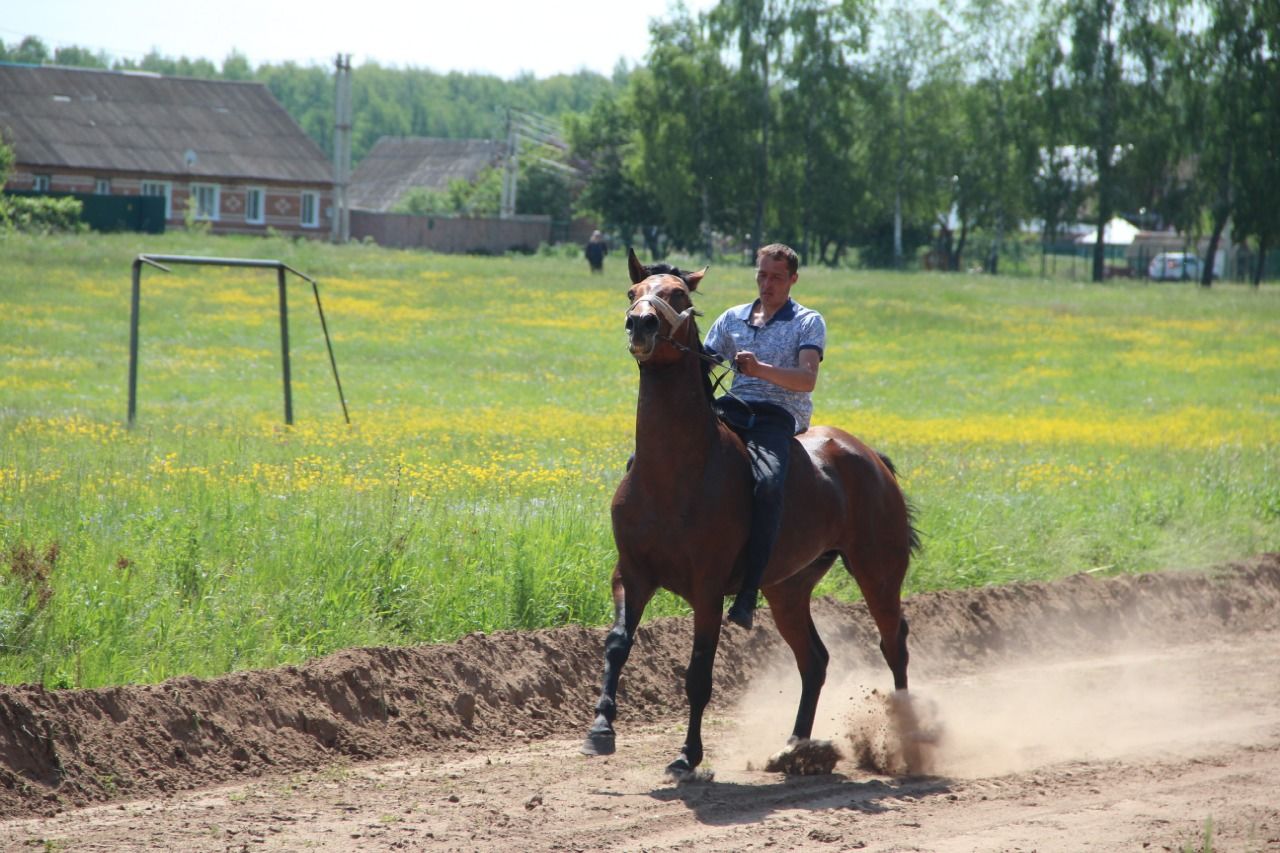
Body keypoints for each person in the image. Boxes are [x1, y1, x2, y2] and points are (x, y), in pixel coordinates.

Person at [702, 243, 825, 630]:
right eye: (761, 275)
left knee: (769, 485)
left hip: (778, 415)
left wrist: (759, 369)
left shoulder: (807, 322)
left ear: (792, 280)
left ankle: (749, 590)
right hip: (734, 407)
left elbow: (806, 380)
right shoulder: (732, 318)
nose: (767, 284)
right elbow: (703, 362)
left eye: (776, 277)